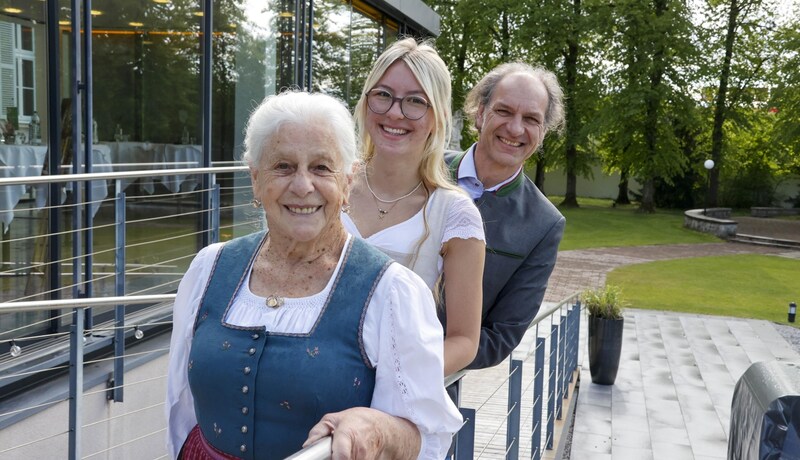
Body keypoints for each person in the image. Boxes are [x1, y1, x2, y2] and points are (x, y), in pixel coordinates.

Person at [165, 91, 462, 459]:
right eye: (283, 166)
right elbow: (180, 408)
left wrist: (376, 428)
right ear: (256, 179)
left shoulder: (391, 292)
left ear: (348, 180)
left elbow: (425, 436)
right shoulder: (208, 269)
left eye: (322, 167)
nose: (303, 186)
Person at [342, 38, 486, 376]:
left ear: (437, 117)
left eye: (415, 101)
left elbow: (464, 340)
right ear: (365, 103)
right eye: (383, 95)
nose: (395, 112)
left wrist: (398, 376)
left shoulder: (454, 214)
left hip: (390, 406)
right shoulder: (331, 185)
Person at [444, 62, 566, 369]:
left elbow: (500, 338)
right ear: (480, 112)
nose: (515, 128)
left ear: (543, 131)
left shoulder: (543, 224)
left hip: (431, 390)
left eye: (531, 119)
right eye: (504, 111)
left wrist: (415, 360)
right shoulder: (423, 168)